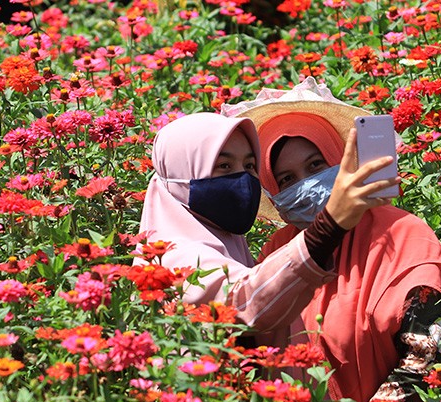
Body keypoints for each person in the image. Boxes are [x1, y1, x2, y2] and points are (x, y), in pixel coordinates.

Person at [223, 78, 441, 402]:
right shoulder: (281, 249)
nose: (305, 185)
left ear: (342, 160)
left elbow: (434, 354)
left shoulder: (402, 233)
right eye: (286, 179)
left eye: (316, 165)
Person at [136, 112, 398, 337]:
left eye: (249, 165)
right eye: (224, 165)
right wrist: (328, 226)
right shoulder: (169, 259)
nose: (242, 178)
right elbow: (245, 302)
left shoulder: (231, 250)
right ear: (180, 177)